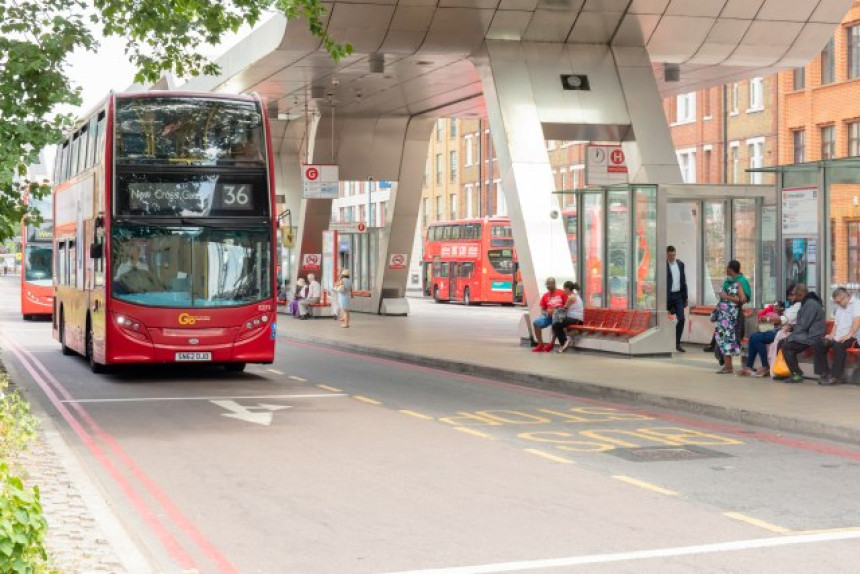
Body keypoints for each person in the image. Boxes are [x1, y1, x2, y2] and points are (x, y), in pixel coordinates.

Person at [776, 283, 826, 383]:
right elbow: (803, 324)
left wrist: (792, 336)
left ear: (801, 294)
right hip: (807, 334)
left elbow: (804, 325)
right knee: (782, 343)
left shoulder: (810, 304)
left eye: (795, 294)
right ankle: (787, 372)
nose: (793, 296)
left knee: (786, 346)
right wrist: (792, 328)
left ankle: (797, 374)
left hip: (812, 336)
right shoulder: (807, 302)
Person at [814, 287, 860, 385]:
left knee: (838, 345)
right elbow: (836, 323)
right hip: (838, 336)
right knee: (820, 343)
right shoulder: (840, 307)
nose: (838, 304)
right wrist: (831, 335)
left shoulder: (857, 304)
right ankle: (825, 372)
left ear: (846, 296)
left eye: (839, 302)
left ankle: (836, 376)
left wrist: (849, 334)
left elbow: (857, 322)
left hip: (853, 337)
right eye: (836, 302)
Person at [713, 260, 750, 374]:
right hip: (723, 316)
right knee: (722, 339)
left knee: (728, 340)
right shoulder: (727, 281)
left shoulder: (740, 282)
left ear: (731, 269)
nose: (726, 270)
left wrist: (726, 297)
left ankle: (728, 366)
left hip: (732, 316)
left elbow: (742, 300)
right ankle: (726, 366)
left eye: (727, 268)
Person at [532, 277, 566, 352]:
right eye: (546, 285)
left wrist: (556, 310)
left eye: (549, 284)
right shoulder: (545, 295)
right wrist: (547, 312)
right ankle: (540, 344)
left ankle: (551, 344)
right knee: (536, 323)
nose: (547, 286)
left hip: (559, 314)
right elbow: (542, 308)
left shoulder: (562, 293)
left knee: (555, 324)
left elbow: (566, 306)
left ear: (554, 284)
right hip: (548, 315)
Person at [666, 246, 688, 353]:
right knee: (663, 320)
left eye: (673, 255)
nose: (672, 257)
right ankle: (665, 342)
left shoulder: (680, 264)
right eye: (670, 255)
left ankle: (677, 343)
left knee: (682, 318)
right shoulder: (663, 265)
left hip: (678, 295)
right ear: (666, 255)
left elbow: (684, 281)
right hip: (667, 296)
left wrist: (685, 297)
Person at [553, 281, 584, 353]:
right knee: (557, 323)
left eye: (564, 289)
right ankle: (564, 341)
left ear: (567, 289)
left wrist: (556, 310)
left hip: (575, 319)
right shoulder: (575, 295)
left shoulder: (571, 298)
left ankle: (564, 342)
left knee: (556, 324)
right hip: (577, 318)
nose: (563, 291)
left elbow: (564, 309)